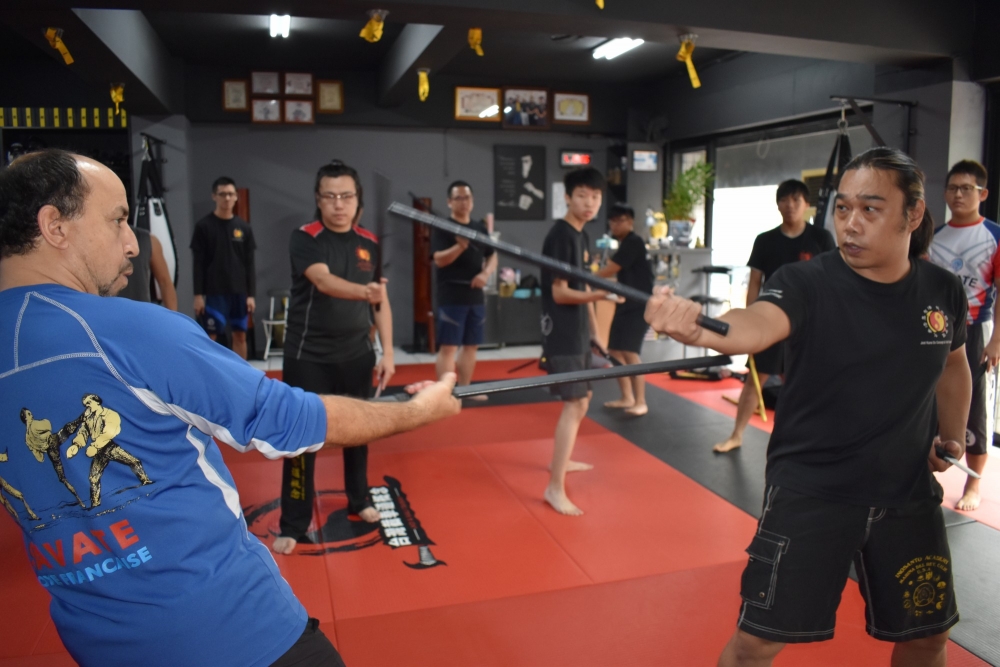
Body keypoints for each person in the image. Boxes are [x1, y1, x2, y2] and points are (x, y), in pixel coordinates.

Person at [0, 149, 460, 667]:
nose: (132, 243)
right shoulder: (129, 330)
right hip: (231, 629)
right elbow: (289, 421)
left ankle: (358, 496)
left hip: (97, 644)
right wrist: (417, 411)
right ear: (55, 226)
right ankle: (294, 521)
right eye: (118, 220)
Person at [645, 147, 971, 667]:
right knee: (754, 646)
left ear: (913, 214)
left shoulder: (942, 289)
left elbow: (954, 365)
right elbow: (755, 325)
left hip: (908, 493)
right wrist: (699, 327)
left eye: (870, 209)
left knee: (928, 638)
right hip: (813, 490)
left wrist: (950, 437)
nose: (851, 224)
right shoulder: (806, 282)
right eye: (842, 208)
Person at [272, 160, 395, 555]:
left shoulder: (369, 242)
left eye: (346, 196)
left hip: (357, 354)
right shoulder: (305, 237)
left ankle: (359, 498)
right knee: (301, 440)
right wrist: (366, 293)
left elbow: (380, 302)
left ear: (358, 200)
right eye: (330, 196)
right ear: (318, 199)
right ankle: (294, 521)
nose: (338, 204)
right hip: (308, 356)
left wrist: (388, 353)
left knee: (360, 432)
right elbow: (323, 280)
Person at [713, 179, 836, 453]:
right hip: (770, 320)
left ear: (806, 204)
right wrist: (749, 322)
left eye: (796, 200)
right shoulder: (765, 240)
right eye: (784, 200)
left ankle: (808, 441)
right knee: (755, 380)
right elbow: (755, 282)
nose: (790, 205)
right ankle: (736, 434)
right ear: (778, 204)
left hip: (809, 322)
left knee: (807, 383)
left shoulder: (821, 238)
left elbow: (832, 281)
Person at [541, 167, 620, 516]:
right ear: (568, 197)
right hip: (561, 332)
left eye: (596, 197)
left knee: (582, 401)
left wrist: (595, 332)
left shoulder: (581, 234)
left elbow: (582, 284)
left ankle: (561, 460)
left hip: (577, 331)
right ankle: (554, 487)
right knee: (575, 404)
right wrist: (601, 296)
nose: (590, 203)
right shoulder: (561, 236)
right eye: (582, 195)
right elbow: (560, 293)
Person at [928, 159, 999, 511]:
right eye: (953, 188)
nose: (958, 194)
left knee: (975, 408)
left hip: (975, 330)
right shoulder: (935, 236)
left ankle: (973, 482)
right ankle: (925, 468)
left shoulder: (994, 236)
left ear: (982, 194)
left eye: (966, 188)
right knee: (927, 398)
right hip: (934, 329)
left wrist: (997, 339)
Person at [432, 181, 497, 393]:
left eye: (467, 197)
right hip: (451, 295)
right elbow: (439, 259)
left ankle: (465, 390)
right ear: (449, 202)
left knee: (471, 345)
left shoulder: (479, 228)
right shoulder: (443, 227)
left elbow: (492, 255)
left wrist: (485, 274)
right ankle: (444, 394)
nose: (463, 202)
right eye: (458, 198)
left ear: (472, 200)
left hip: (475, 295)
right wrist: (459, 246)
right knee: (449, 346)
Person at [597, 203, 654, 416]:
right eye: (612, 221)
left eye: (620, 220)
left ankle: (641, 401)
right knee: (614, 351)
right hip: (625, 304)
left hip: (639, 306)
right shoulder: (624, 244)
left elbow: (612, 269)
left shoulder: (633, 242)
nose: (615, 225)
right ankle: (626, 397)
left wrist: (585, 277)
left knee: (630, 352)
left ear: (630, 222)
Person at [191, 176, 256, 359]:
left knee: (240, 336)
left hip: (239, 293)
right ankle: (209, 373)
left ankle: (240, 373)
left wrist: (251, 295)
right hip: (214, 292)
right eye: (222, 194)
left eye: (230, 194)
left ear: (236, 196)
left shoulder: (244, 228)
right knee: (210, 337)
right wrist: (198, 296)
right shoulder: (203, 226)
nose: (227, 198)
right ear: (214, 196)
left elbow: (249, 264)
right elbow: (198, 263)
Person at [116, 226, 178, 310]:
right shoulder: (102, 241)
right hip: (109, 310)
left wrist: (172, 317)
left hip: (141, 311)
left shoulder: (148, 240)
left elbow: (165, 283)